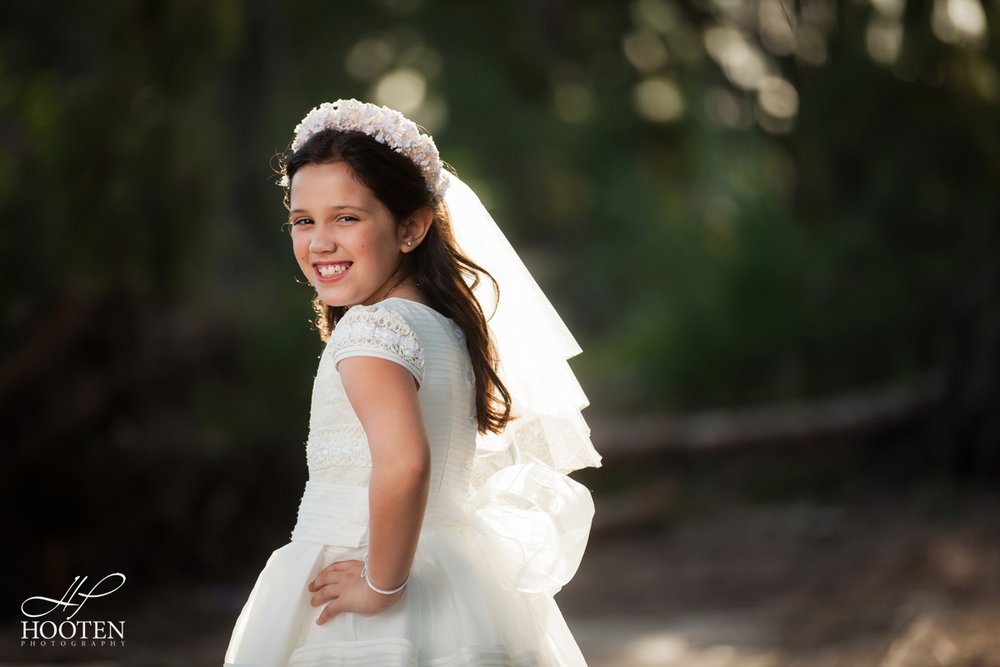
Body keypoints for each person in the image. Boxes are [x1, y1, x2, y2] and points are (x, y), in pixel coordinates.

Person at [225, 99, 601, 666]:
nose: (319, 242)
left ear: (411, 228)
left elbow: (404, 463)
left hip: (369, 566)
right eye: (304, 221)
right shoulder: (443, 328)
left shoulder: (370, 332)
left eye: (346, 218)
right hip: (453, 572)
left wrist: (380, 584)